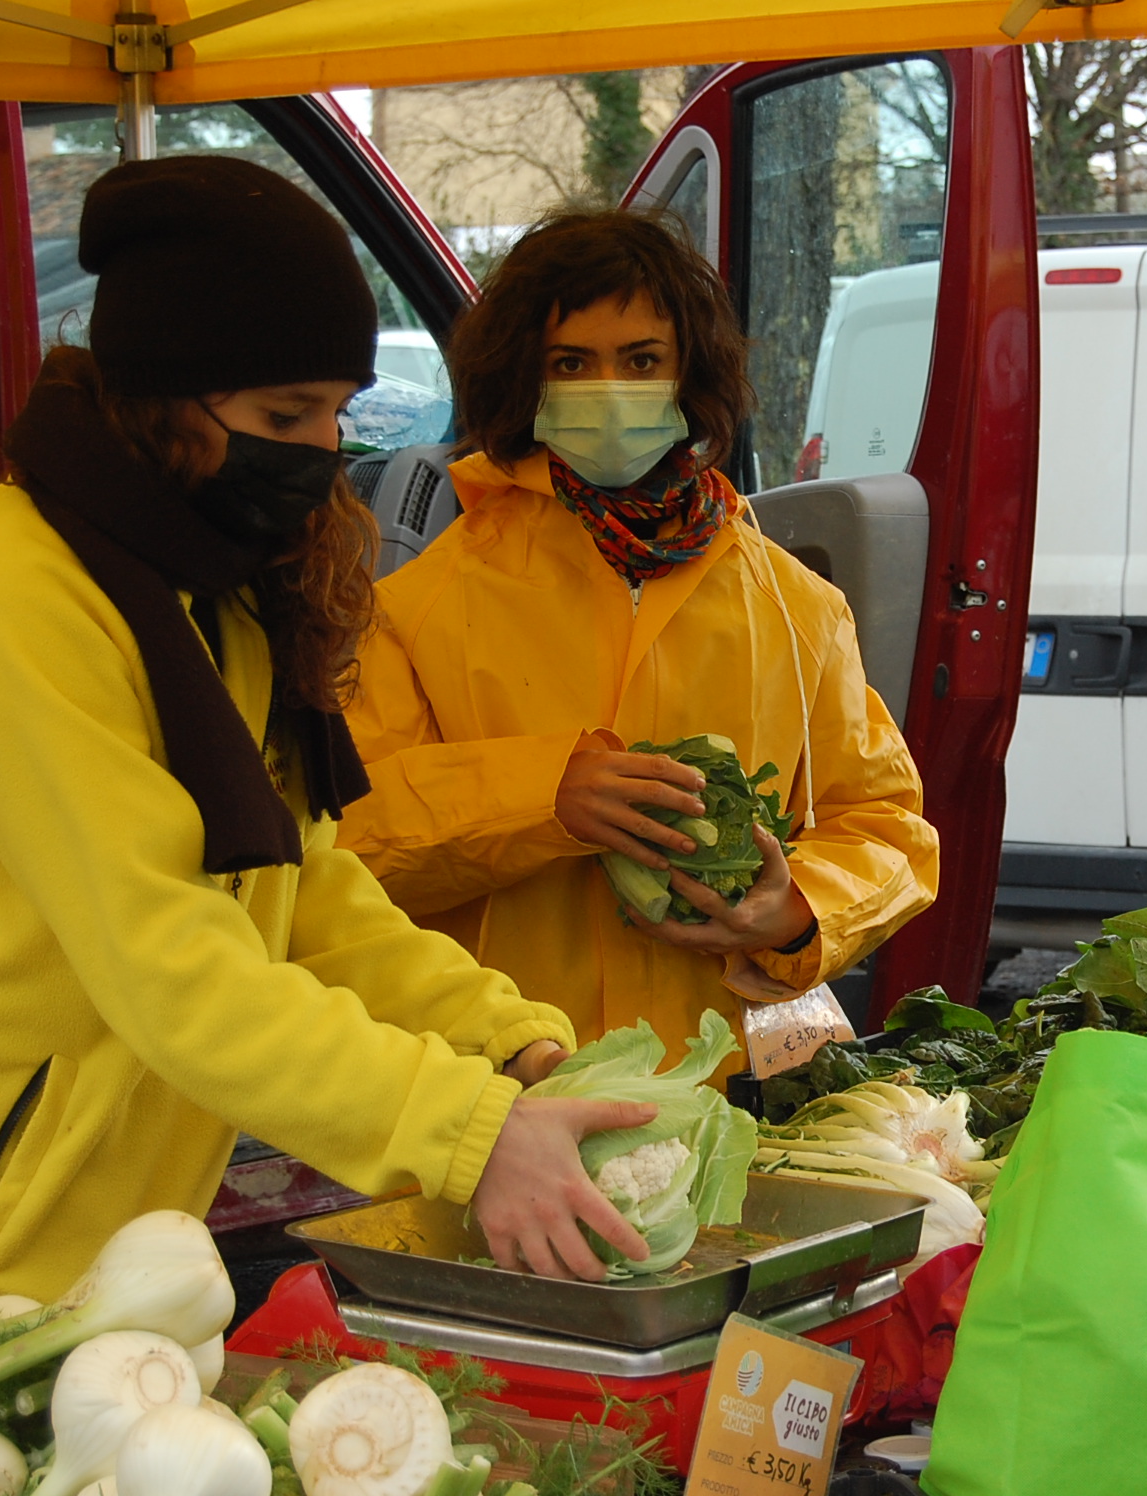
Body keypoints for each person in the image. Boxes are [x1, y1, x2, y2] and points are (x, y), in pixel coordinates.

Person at [0, 157, 656, 1314]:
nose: (318, 450)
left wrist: (504, 1041)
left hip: (120, 1250)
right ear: (164, 398)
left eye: (336, 412)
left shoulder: (210, 585)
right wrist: (465, 1132)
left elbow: (306, 894)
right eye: (285, 415)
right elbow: (174, 965)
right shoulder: (19, 600)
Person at [340, 210, 938, 1062]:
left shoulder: (796, 607)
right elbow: (346, 844)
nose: (608, 388)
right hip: (502, 1091)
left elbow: (884, 824)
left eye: (641, 360)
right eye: (572, 363)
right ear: (524, 381)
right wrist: (542, 796)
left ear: (690, 375)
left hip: (727, 1099)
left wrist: (800, 909)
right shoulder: (420, 606)